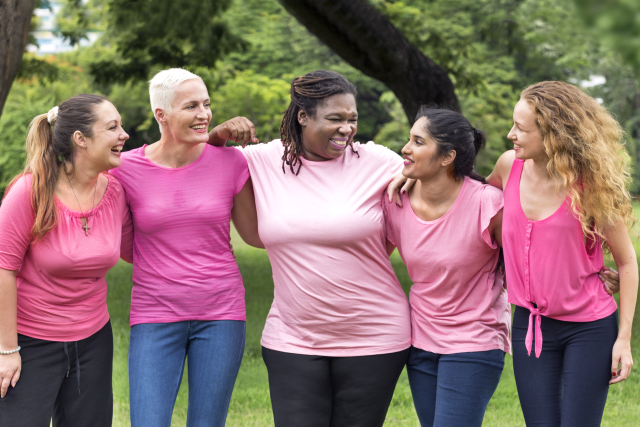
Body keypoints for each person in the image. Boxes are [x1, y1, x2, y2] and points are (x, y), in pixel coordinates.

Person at [210, 70, 411, 427]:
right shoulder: (263, 160)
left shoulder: (378, 162)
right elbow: (201, 165)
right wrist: (217, 135)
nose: (347, 129)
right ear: (303, 116)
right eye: (335, 119)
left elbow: (436, 180)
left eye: (352, 120)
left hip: (375, 337)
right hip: (292, 338)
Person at [109, 68, 261, 427]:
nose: (204, 114)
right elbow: (124, 246)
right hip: (154, 314)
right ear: (161, 115)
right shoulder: (123, 169)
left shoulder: (230, 161)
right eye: (191, 106)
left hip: (222, 313)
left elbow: (255, 235)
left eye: (207, 104)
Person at [486, 81, 638, 426]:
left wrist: (624, 340)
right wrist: (416, 178)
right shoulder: (509, 166)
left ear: (553, 134)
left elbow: (628, 262)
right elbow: (470, 198)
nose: (511, 134)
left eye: (520, 128)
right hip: (530, 322)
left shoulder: (592, 186)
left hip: (589, 327)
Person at [0, 94, 132, 427]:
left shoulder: (114, 192)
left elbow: (136, 251)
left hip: (93, 340)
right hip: (30, 343)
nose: (124, 134)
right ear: (81, 140)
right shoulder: (30, 191)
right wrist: (6, 350)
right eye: (113, 127)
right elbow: (3, 269)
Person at [382, 107, 510, 427]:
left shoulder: (488, 204)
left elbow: (529, 261)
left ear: (446, 156)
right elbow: (370, 260)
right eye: (408, 140)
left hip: (475, 340)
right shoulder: (396, 201)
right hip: (420, 341)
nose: (405, 149)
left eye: (417, 142)